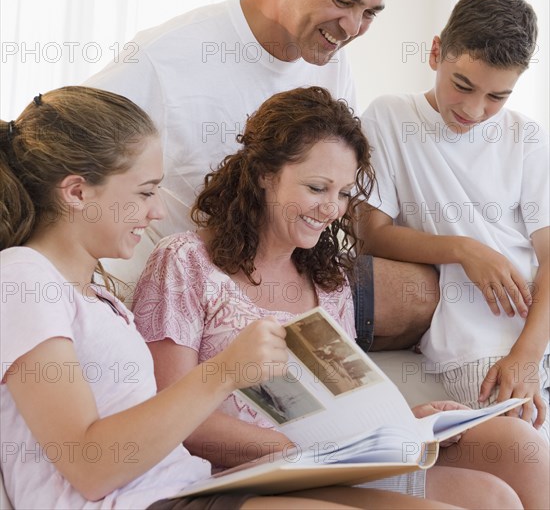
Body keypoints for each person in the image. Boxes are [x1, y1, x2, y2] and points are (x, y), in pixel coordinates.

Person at [0, 86, 460, 510]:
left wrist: (391, 427)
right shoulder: (23, 276)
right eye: (144, 192)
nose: (158, 211)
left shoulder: (98, 297)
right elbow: (90, 466)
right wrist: (224, 372)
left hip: (184, 488)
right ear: (78, 192)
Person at [132, 86, 548, 510]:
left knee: (512, 449)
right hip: (252, 473)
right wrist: (299, 449)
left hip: (334, 462)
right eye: (317, 187)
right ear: (264, 174)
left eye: (345, 192)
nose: (332, 209)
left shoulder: (329, 282)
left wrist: (406, 423)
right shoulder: (185, 263)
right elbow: (176, 418)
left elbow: (345, 409)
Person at [86, 0, 438, 351]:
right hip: (207, 276)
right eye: (343, 0)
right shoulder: (167, 58)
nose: (353, 28)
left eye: (369, 12)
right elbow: (59, 146)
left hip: (290, 265)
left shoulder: (332, 64)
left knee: (427, 293)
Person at [359, 0, 550, 441]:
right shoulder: (389, 117)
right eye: (462, 84)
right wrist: (463, 250)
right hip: (479, 344)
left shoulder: (526, 137)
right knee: (527, 452)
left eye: (497, 96)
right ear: (436, 51)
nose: (474, 109)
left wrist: (528, 352)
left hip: (534, 332)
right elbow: (371, 235)